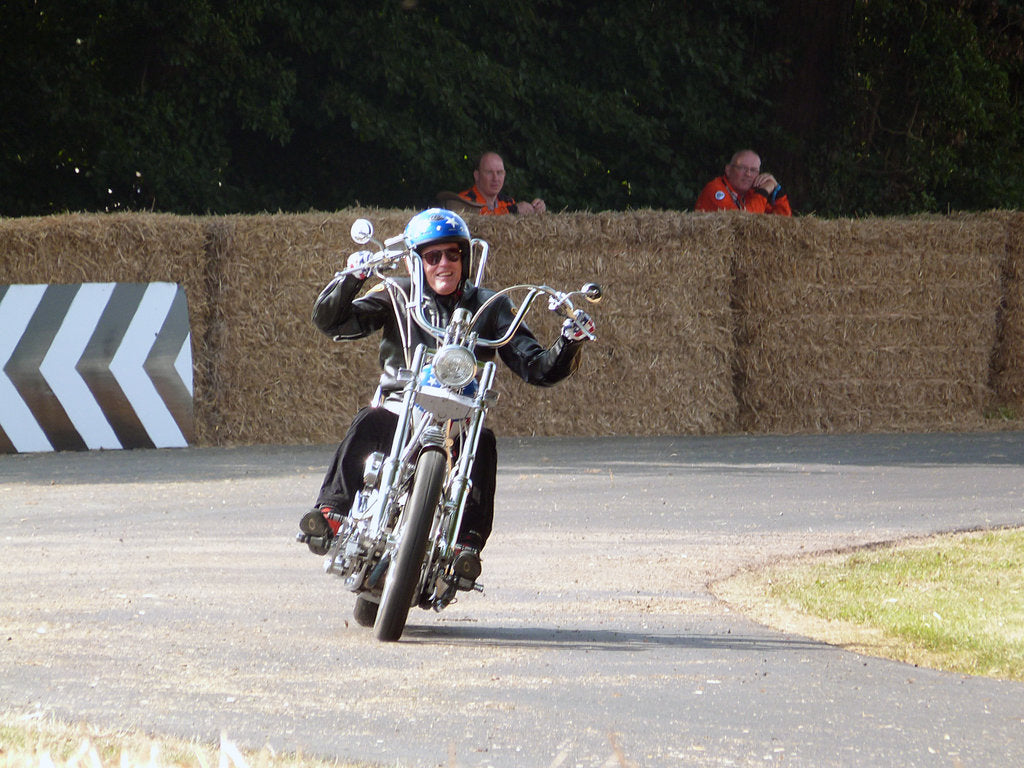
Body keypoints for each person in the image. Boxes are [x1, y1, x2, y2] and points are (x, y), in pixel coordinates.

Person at [298, 208, 593, 582]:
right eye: (432, 256)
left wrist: (568, 342)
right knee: (369, 419)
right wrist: (352, 278)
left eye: (452, 254)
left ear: (464, 258)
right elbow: (331, 322)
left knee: (482, 443)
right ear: (417, 261)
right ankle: (331, 513)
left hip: (460, 416)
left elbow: (535, 366)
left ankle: (465, 546)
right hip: (400, 405)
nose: (443, 264)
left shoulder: (492, 304)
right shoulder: (396, 291)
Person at [695, 149, 792, 216]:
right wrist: (764, 191)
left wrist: (776, 189)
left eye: (753, 170)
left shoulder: (750, 194)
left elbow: (783, 222)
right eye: (742, 168)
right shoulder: (715, 189)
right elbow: (743, 223)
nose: (748, 174)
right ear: (728, 170)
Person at [451, 152, 547, 215]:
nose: (495, 178)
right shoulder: (463, 201)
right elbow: (483, 224)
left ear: (504, 175)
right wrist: (513, 212)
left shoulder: (507, 202)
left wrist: (536, 211)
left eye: (499, 172)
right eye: (489, 172)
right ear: (477, 175)